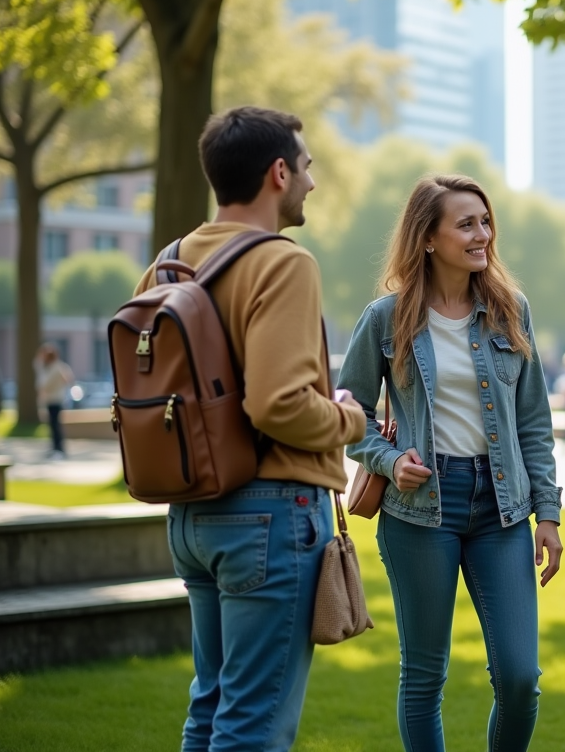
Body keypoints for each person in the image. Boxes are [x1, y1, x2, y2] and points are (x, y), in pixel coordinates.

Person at [133, 106, 367, 751]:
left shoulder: (169, 261)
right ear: (279, 172)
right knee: (254, 725)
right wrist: (349, 417)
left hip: (192, 514)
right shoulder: (283, 263)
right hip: (270, 511)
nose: (312, 185)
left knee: (209, 710)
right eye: (308, 169)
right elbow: (279, 406)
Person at [338, 174, 563, 752]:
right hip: (419, 510)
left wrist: (549, 515)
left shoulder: (511, 311)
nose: (482, 234)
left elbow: (534, 422)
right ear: (428, 238)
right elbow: (347, 413)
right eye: (466, 224)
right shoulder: (385, 318)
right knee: (424, 676)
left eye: (485, 222)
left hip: (501, 509)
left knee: (519, 679)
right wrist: (388, 461)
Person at [34, 343, 74, 460]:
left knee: (55, 425)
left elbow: (43, 384)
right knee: (53, 425)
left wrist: (39, 367)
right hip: (52, 400)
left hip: (55, 400)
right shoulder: (57, 367)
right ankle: (55, 447)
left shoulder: (55, 368)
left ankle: (59, 449)